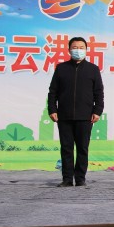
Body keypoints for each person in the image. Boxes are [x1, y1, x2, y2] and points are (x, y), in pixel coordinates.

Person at [47, 36, 104, 187]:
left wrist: (97, 111)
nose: (78, 50)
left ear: (86, 50)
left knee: (82, 148)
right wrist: (52, 109)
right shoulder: (61, 68)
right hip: (64, 115)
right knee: (66, 148)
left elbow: (99, 93)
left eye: (81, 48)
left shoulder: (93, 69)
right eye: (75, 48)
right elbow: (53, 91)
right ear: (69, 50)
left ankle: (80, 178)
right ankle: (67, 179)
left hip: (85, 116)